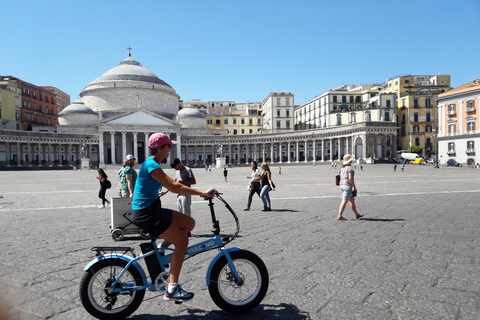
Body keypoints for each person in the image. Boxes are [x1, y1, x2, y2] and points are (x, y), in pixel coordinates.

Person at [132, 133, 215, 302]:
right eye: (168, 146)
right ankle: (172, 288)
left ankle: (161, 251)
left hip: (154, 209)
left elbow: (172, 186)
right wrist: (202, 193)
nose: (171, 148)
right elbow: (175, 187)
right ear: (160, 148)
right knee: (182, 241)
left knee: (188, 223)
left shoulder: (153, 164)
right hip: (146, 214)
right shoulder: (151, 165)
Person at [171, 157, 196, 237]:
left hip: (186, 194)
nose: (175, 169)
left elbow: (193, 181)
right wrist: (167, 190)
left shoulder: (188, 170)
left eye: (175, 167)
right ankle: (183, 229)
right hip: (179, 194)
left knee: (186, 212)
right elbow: (174, 182)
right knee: (180, 212)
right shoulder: (177, 171)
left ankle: (188, 230)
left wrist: (183, 182)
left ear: (179, 164)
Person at [337, 154, 364, 221]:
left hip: (342, 185)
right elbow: (351, 178)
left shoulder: (342, 168)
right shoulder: (350, 168)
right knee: (344, 201)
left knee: (351, 200)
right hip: (347, 186)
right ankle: (339, 215)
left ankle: (356, 214)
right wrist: (354, 187)